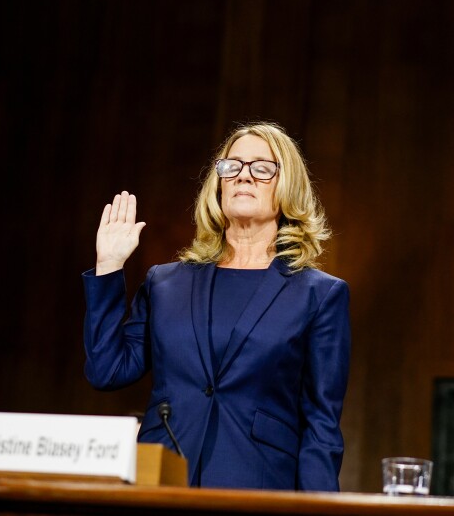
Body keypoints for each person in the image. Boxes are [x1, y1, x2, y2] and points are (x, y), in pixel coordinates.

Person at [83, 122, 351, 491]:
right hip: (162, 481)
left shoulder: (319, 295)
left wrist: (320, 511)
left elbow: (321, 425)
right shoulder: (165, 283)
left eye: (262, 168)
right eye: (233, 166)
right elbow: (107, 370)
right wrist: (109, 266)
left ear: (287, 185)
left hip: (257, 483)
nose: (244, 176)